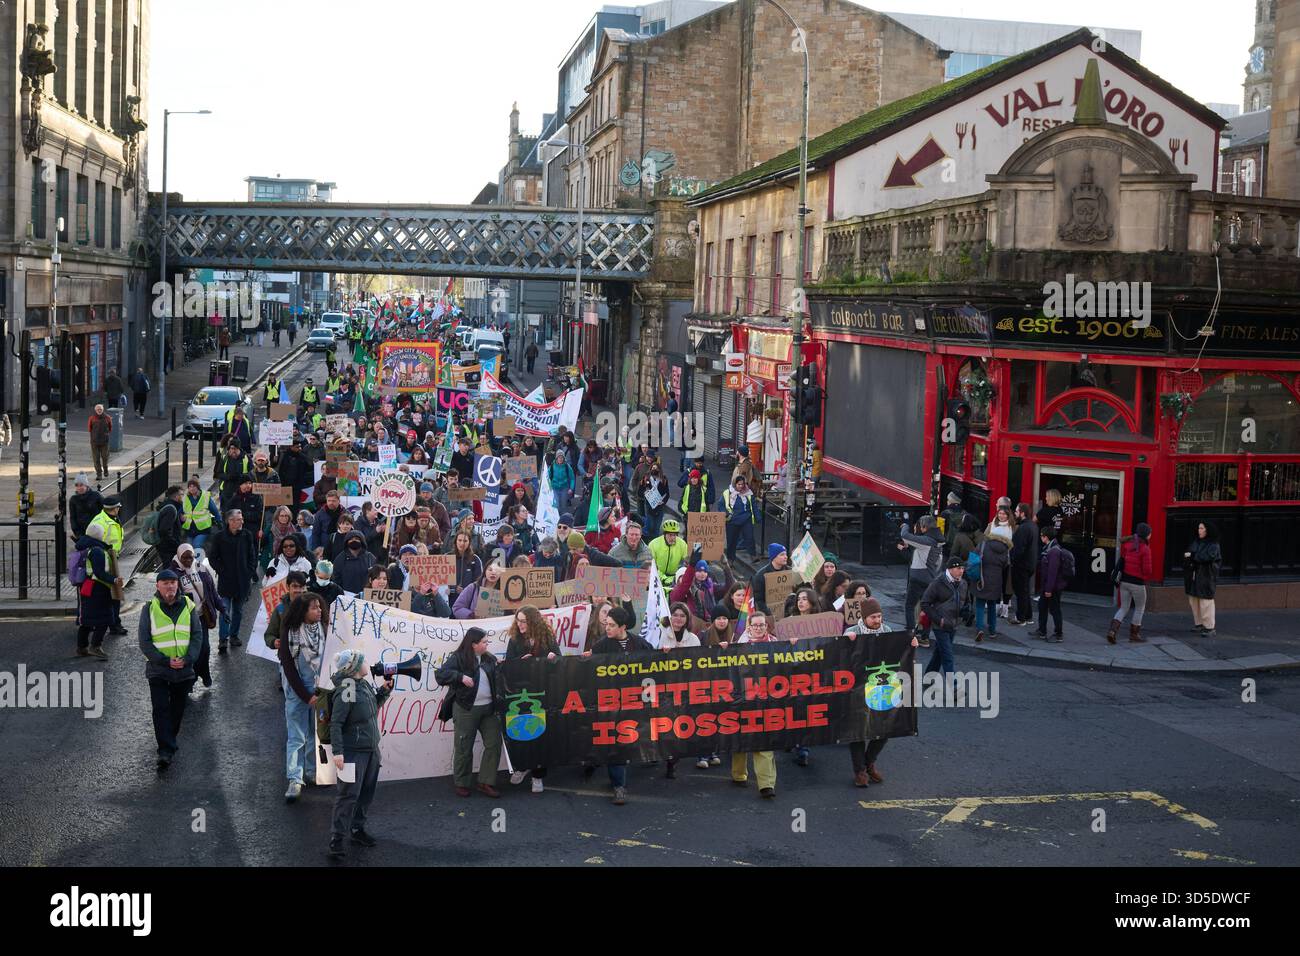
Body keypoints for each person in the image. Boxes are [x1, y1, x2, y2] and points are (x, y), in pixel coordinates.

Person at [842, 597, 917, 787]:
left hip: (882, 688)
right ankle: (859, 771)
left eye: (879, 616)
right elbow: (841, 657)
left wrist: (911, 645)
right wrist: (847, 643)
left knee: (886, 727)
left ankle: (869, 763)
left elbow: (899, 653)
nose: (878, 620)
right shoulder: (852, 632)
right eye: (873, 617)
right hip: (858, 690)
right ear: (864, 617)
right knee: (858, 731)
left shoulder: (887, 631)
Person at [327, 649, 393, 860]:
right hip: (354, 753)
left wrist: (383, 691)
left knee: (366, 793)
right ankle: (337, 839)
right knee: (348, 796)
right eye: (363, 660)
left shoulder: (362, 684)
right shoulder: (347, 688)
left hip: (371, 750)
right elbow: (336, 723)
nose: (367, 663)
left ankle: (357, 830)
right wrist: (338, 752)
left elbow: (371, 709)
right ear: (354, 668)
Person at [138, 569, 203, 770]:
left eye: (173, 582)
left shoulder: (189, 606)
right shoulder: (149, 608)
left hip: (183, 670)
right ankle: (165, 750)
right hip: (159, 669)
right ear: (157, 586)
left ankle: (169, 740)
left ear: (178, 585)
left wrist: (187, 659)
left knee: (176, 710)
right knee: (160, 709)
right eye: (165, 583)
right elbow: (144, 641)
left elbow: (197, 635)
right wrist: (165, 661)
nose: (170, 586)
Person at [590, 606, 654, 804]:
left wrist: (665, 653)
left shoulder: (640, 644)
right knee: (615, 742)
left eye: (611, 625)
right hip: (612, 703)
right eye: (606, 625)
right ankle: (619, 786)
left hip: (636, 701)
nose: (607, 629)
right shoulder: (601, 646)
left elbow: (655, 662)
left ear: (623, 627)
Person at [435, 626, 505, 798]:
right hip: (466, 708)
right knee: (464, 746)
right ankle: (462, 783)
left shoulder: (488, 658)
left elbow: (498, 674)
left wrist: (507, 665)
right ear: (473, 644)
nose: (486, 644)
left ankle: (485, 781)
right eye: (483, 642)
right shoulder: (459, 658)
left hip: (489, 708)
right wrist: (460, 677)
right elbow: (441, 675)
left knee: (494, 743)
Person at [504, 607, 561, 794]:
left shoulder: (547, 637)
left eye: (523, 621)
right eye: (518, 620)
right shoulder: (514, 640)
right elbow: (508, 665)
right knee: (520, 732)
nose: (519, 625)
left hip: (543, 691)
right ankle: (521, 767)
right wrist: (521, 661)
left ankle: (538, 775)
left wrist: (552, 658)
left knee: (540, 734)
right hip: (520, 693)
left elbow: (559, 660)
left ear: (533, 622)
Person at [280, 593, 329, 803]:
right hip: (297, 690)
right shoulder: (290, 632)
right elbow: (289, 668)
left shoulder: (324, 628)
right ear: (303, 612)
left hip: (319, 689)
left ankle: (311, 773)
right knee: (297, 736)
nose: (319, 611)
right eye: (314, 608)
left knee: (315, 733)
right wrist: (306, 696)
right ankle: (294, 779)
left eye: (319, 607)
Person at [732, 611, 778, 798]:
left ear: (767, 626)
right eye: (755, 625)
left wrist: (793, 645)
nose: (759, 628)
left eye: (762, 625)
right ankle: (739, 774)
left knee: (763, 740)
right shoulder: (738, 646)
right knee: (741, 738)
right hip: (743, 699)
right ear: (748, 627)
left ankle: (766, 784)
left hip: (766, 700)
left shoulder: (777, 644)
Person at [205, 509, 257, 652]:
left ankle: (234, 635)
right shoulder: (220, 537)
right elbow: (212, 557)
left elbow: (252, 556)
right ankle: (223, 638)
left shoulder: (247, 535)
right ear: (230, 521)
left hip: (242, 581)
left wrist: (249, 572)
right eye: (237, 519)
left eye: (241, 519)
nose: (240, 522)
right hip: (226, 581)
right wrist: (222, 570)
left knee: (238, 610)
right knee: (225, 609)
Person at [171, 542, 221, 688]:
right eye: (185, 558)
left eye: (191, 558)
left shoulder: (201, 568)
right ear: (179, 557)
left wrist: (222, 609)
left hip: (201, 617)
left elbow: (212, 591)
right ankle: (192, 677)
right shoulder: (173, 573)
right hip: (184, 620)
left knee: (204, 648)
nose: (188, 561)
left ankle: (203, 673)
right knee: (190, 652)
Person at [898, 515, 944, 645]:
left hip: (918, 578)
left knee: (909, 606)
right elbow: (939, 562)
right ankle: (924, 637)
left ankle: (910, 633)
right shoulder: (939, 541)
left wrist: (905, 525)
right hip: (931, 578)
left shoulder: (926, 541)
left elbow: (905, 536)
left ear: (924, 527)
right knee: (926, 607)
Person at [74, 523, 117, 660]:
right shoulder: (98, 550)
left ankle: (82, 647)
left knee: (87, 620)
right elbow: (99, 573)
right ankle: (95, 646)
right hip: (98, 588)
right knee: (105, 618)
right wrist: (114, 580)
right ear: (100, 535)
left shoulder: (87, 547)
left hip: (88, 587)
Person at [920, 557, 967, 677]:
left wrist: (966, 612)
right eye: (958, 568)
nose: (961, 571)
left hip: (953, 624)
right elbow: (925, 603)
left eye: (962, 568)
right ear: (950, 569)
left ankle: (928, 678)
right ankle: (954, 687)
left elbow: (965, 601)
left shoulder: (963, 583)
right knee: (947, 655)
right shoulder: (938, 583)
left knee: (939, 654)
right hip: (940, 625)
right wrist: (938, 620)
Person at [1108, 523, 1153, 644]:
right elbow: (1147, 570)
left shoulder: (1128, 545)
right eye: (1150, 533)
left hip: (1124, 582)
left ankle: (1112, 631)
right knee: (1139, 608)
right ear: (1146, 535)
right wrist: (1144, 576)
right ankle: (1134, 635)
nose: (1151, 535)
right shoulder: (1145, 549)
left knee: (1124, 607)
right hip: (1137, 583)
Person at [88, 496, 127, 635]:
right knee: (112, 595)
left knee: (114, 595)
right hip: (104, 562)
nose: (119, 509)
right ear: (114, 508)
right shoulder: (99, 522)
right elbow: (92, 541)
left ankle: (112, 624)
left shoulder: (112, 519)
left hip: (112, 559)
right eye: (118, 507)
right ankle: (112, 624)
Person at [1184, 521, 1221, 638]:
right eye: (1199, 528)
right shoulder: (1197, 542)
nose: (1199, 530)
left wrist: (1192, 557)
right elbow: (1190, 553)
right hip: (1194, 575)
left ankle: (1209, 627)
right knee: (1194, 600)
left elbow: (1207, 557)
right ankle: (1199, 624)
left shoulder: (1214, 545)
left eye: (1201, 528)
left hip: (1206, 576)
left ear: (1207, 530)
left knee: (1206, 601)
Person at [973, 531, 1010, 643]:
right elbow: (1005, 565)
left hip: (982, 578)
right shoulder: (1005, 549)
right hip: (996, 580)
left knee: (979, 604)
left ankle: (979, 628)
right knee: (992, 605)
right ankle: (992, 630)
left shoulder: (983, 544)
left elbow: (974, 557)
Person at [1036, 528, 1068, 643]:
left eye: (1041, 535)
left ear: (1046, 537)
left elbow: (1052, 572)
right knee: (1042, 606)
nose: (1040, 537)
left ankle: (1058, 634)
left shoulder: (1054, 551)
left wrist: (1048, 589)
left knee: (1054, 609)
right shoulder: (1049, 548)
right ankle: (1041, 630)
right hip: (1047, 586)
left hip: (1053, 587)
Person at [1009, 504, 1039, 627]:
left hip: (1021, 565)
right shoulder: (1033, 526)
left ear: (1022, 513)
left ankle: (1021, 617)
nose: (1015, 513)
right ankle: (1028, 616)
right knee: (1025, 591)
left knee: (1021, 591)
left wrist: (1013, 560)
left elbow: (1018, 549)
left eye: (1016, 511)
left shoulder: (1023, 528)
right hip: (1030, 564)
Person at [720, 475, 758, 561]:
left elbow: (754, 505)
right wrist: (725, 513)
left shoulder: (749, 493)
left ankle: (753, 555)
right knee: (732, 541)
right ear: (735, 484)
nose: (741, 486)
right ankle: (730, 559)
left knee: (749, 537)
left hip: (746, 519)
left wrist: (757, 517)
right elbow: (721, 505)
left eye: (742, 484)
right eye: (739, 484)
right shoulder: (727, 493)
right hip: (732, 521)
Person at [180, 476, 221, 550]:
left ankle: (198, 561)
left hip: (203, 529)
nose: (192, 488)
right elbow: (181, 511)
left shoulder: (205, 497)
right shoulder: (186, 498)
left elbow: (215, 511)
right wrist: (181, 517)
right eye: (190, 486)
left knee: (196, 545)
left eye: (194, 486)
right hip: (190, 529)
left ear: (198, 487)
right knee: (188, 548)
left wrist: (220, 522)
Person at [750, 543, 789, 616]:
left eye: (785, 554)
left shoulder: (790, 572)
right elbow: (759, 600)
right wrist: (769, 614)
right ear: (774, 557)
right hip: (769, 615)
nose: (786, 557)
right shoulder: (761, 576)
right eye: (782, 555)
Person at [648, 518, 689, 587]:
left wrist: (680, 576)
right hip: (657, 576)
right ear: (664, 534)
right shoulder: (654, 544)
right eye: (670, 535)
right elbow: (651, 565)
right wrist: (662, 577)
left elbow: (688, 562)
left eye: (675, 535)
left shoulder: (682, 544)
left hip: (674, 577)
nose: (673, 537)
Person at [155, 485, 185, 568]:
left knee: (170, 568)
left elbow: (171, 526)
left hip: (166, 545)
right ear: (176, 496)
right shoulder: (171, 509)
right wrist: (175, 544)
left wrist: (181, 522)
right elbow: (164, 530)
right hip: (168, 547)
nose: (183, 497)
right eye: (182, 495)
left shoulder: (170, 506)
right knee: (169, 568)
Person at [69, 474, 103, 543]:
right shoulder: (73, 499)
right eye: (77, 485)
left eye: (81, 485)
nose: (79, 488)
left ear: (86, 486)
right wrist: (77, 533)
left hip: (96, 531)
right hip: (82, 533)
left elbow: (104, 511)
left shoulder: (96, 496)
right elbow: (73, 518)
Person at [88, 403, 113, 480]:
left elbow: (110, 428)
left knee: (105, 457)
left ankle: (105, 469)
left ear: (103, 410)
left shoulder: (108, 418)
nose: (99, 410)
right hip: (94, 442)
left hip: (105, 442)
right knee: (96, 459)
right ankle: (99, 474)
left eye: (100, 409)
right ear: (95, 410)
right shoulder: (92, 418)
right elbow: (89, 428)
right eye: (98, 409)